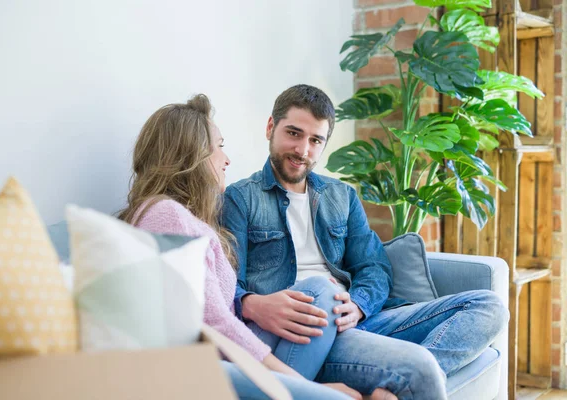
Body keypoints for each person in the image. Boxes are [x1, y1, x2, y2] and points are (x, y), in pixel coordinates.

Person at [221, 84, 511, 399]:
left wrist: (359, 305)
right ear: (270, 128)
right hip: (309, 332)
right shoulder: (240, 198)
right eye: (294, 133)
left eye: (315, 140)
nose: (303, 150)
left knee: (489, 306)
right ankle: (402, 380)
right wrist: (250, 304)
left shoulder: (341, 196)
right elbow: (224, 284)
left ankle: (391, 390)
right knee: (415, 362)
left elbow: (373, 266)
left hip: (363, 320)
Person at [117, 94, 371, 400]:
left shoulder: (174, 215)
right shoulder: (166, 216)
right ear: (192, 155)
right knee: (320, 293)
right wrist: (309, 389)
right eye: (219, 146)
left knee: (322, 294)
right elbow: (214, 323)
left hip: (229, 352)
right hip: (213, 367)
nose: (226, 160)